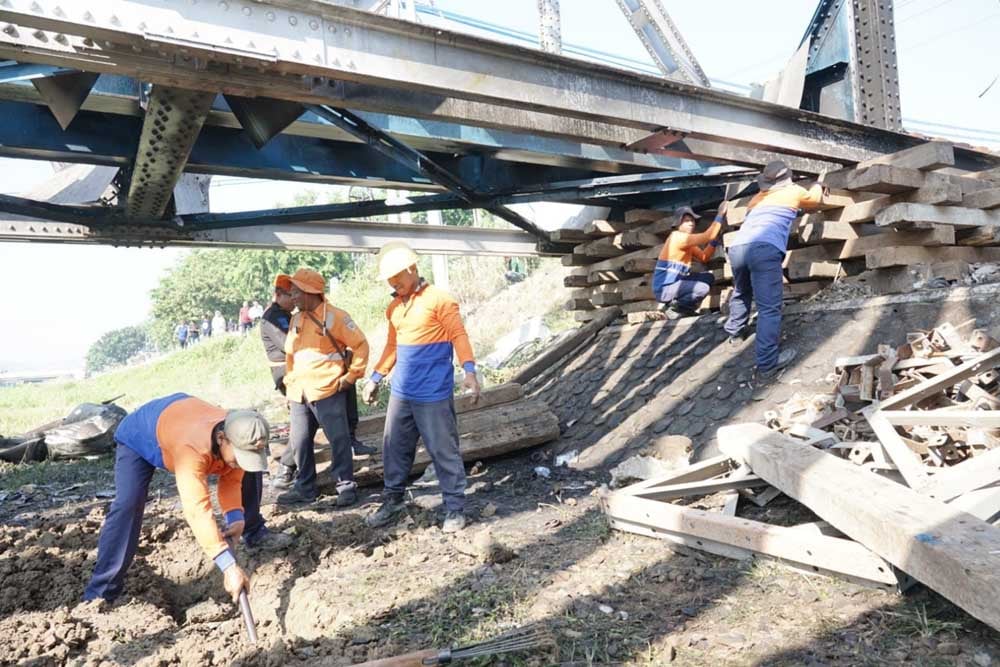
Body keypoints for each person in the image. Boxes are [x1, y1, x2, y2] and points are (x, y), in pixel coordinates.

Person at [83, 394, 291, 603]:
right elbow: (197, 510)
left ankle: (254, 531)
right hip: (139, 435)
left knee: (249, 470)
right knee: (128, 505)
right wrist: (228, 565)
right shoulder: (190, 451)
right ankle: (101, 593)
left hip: (180, 416)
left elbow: (232, 480)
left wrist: (236, 517)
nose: (241, 461)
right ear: (221, 439)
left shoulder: (240, 431)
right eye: (239, 456)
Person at [362, 241, 480, 534]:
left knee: (443, 450)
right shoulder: (394, 308)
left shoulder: (440, 300)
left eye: (397, 276)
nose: (393, 283)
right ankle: (393, 500)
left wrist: (469, 371)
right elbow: (392, 346)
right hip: (402, 391)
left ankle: (454, 508)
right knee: (394, 447)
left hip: (433, 392)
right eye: (389, 279)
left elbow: (459, 335)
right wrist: (375, 377)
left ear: (413, 269)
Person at [261, 275, 376, 492]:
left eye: (295, 292)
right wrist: (290, 383)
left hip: (327, 389)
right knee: (300, 441)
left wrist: (352, 376)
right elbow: (291, 355)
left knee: (339, 440)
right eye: (290, 292)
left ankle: (345, 486)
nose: (292, 297)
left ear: (309, 292)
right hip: (299, 392)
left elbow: (361, 345)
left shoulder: (336, 317)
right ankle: (305, 487)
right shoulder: (296, 320)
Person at [724, 160, 825, 378]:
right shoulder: (794, 191)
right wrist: (818, 183)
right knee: (769, 308)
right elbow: (815, 200)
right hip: (764, 248)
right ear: (788, 178)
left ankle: (734, 333)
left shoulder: (756, 199)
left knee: (742, 291)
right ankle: (768, 362)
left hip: (738, 248)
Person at [652, 203, 727, 319]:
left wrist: (714, 242)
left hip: (674, 285)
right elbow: (708, 235)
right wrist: (720, 214)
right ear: (678, 224)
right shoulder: (678, 237)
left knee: (708, 277)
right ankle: (676, 308)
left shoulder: (686, 242)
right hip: (664, 289)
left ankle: (684, 309)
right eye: (686, 221)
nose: (691, 223)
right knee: (702, 288)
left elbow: (704, 257)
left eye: (692, 221)